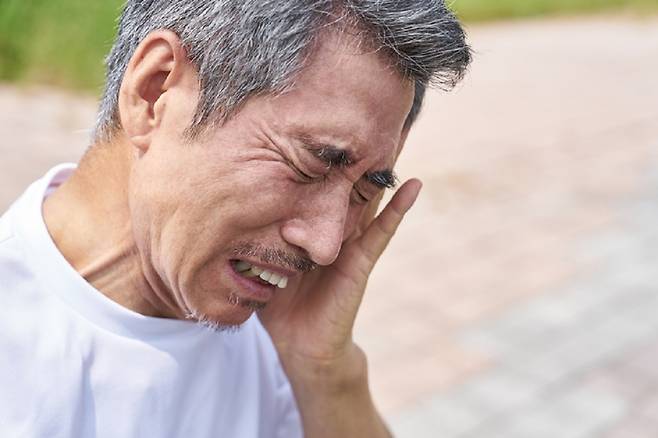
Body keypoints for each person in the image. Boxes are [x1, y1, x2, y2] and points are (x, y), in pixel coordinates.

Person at [0, 1, 470, 437]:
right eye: (310, 165)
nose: (327, 245)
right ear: (154, 93)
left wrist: (326, 372)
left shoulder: (282, 338)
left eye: (365, 189)